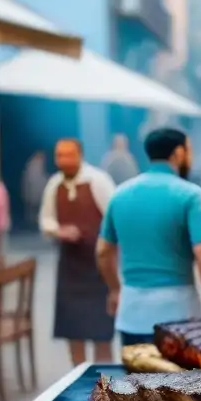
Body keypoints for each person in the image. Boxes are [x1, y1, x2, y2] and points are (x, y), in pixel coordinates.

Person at [96, 128, 201, 346]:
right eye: (189, 151)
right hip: (181, 315)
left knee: (137, 380)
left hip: (132, 316)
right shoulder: (190, 194)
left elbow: (103, 252)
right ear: (179, 154)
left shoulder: (120, 194)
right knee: (182, 381)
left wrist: (116, 290)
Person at [40, 138, 117, 365]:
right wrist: (59, 231)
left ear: (80, 155)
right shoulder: (54, 184)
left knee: (102, 335)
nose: (63, 160)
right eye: (59, 155)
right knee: (74, 335)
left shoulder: (98, 180)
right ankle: (80, 388)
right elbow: (46, 220)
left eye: (68, 155)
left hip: (98, 268)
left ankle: (106, 389)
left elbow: (114, 217)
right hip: (70, 267)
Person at [21, 151, 48, 226]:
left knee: (34, 209)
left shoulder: (32, 166)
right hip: (33, 191)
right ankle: (32, 223)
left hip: (35, 192)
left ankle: (33, 222)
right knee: (33, 209)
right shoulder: (34, 166)